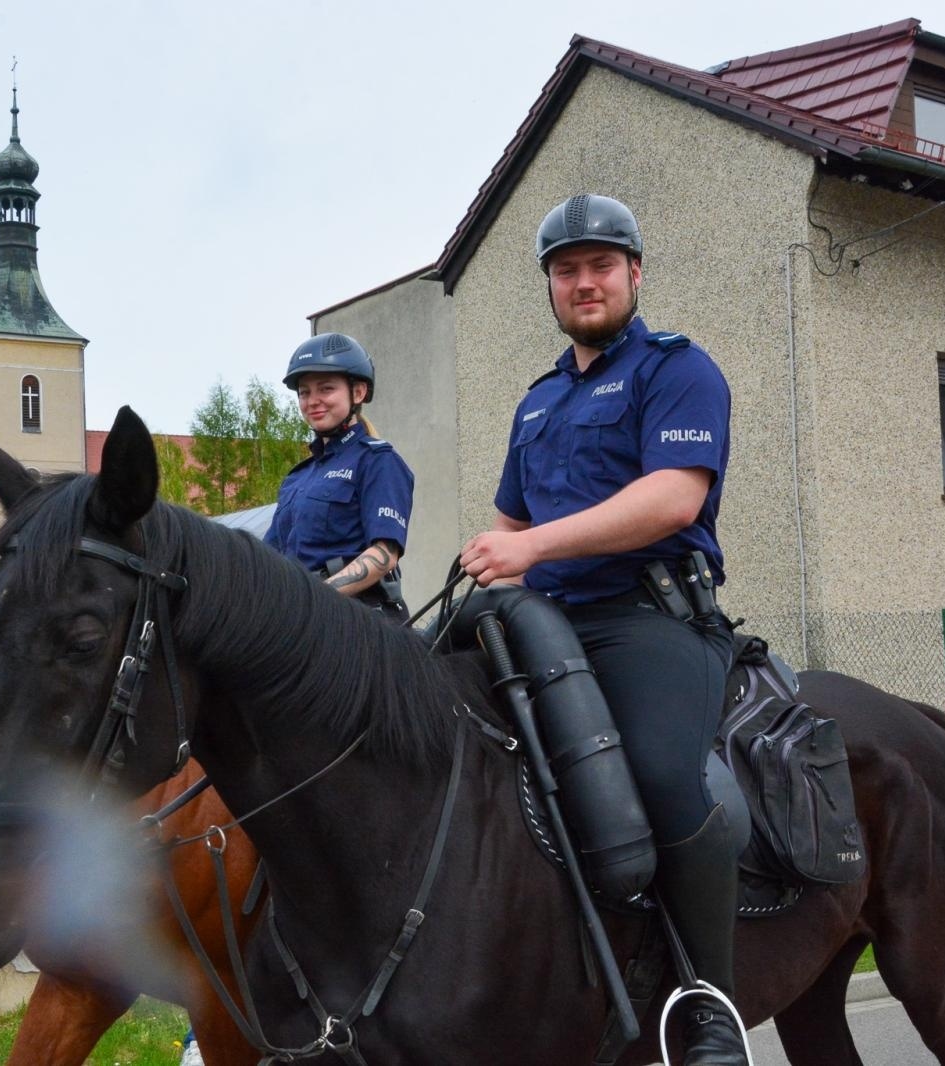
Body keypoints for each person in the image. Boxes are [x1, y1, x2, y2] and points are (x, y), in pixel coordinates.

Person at [459, 194, 745, 1064]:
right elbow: (510, 528)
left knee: (660, 775)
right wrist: (486, 563)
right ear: (549, 286)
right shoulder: (538, 401)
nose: (584, 283)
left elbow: (673, 497)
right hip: (544, 625)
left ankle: (705, 1003)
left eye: (600, 266)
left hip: (647, 619)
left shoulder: (676, 368)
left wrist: (533, 547)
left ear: (634, 274)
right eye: (565, 270)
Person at [265, 332, 413, 618]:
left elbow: (384, 556)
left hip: (359, 620)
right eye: (304, 392)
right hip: (300, 620)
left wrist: (312, 600)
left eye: (326, 388)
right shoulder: (298, 478)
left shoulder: (378, 461)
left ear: (357, 392)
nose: (313, 401)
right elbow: (269, 559)